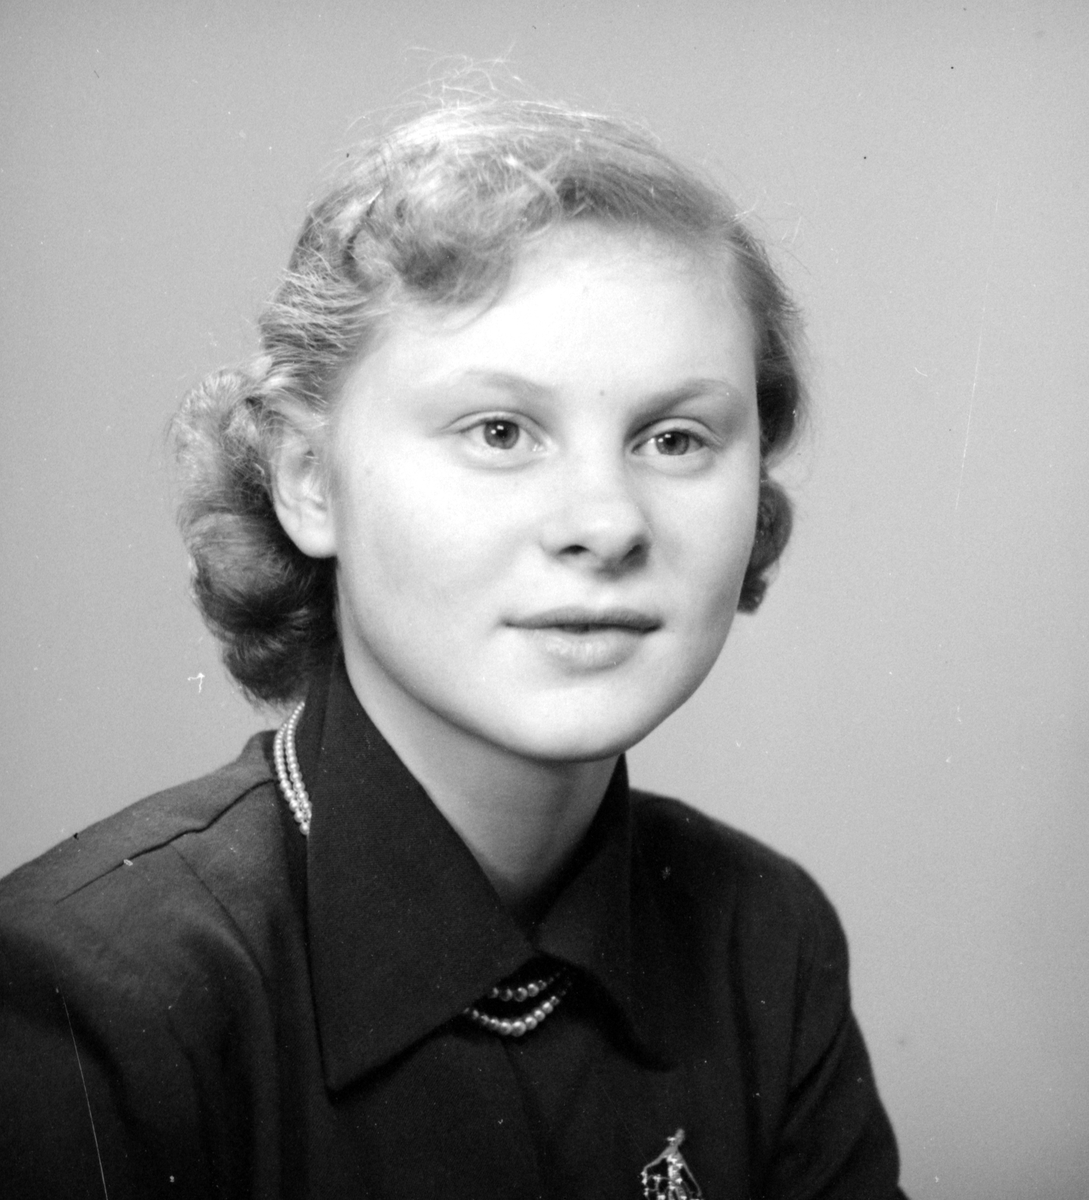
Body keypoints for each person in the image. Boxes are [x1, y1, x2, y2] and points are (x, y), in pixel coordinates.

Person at [0, 96, 907, 1198]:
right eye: (500, 431)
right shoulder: (93, 992)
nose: (606, 523)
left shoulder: (764, 937)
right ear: (308, 481)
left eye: (674, 438)